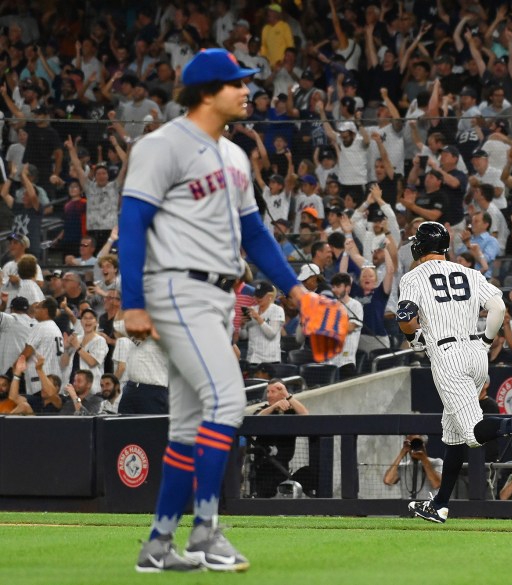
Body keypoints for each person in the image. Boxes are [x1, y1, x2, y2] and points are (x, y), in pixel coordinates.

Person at [120, 49, 340, 573]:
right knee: (225, 400)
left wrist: (299, 293)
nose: (247, 90)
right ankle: (205, 533)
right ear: (206, 91)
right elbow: (132, 222)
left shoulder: (237, 157)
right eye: (236, 83)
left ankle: (158, 543)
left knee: (190, 425)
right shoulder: (162, 145)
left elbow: (255, 236)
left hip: (220, 297)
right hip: (176, 287)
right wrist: (132, 302)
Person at [396, 222, 512, 524]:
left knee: (472, 432)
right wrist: (486, 342)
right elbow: (498, 308)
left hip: (446, 354)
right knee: (454, 436)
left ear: (420, 246)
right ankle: (440, 504)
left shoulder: (414, 276)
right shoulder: (470, 273)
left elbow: (405, 315)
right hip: (476, 351)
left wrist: (413, 337)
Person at [243, 379, 308, 498]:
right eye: (268, 391)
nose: (269, 395)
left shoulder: (291, 412)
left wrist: (288, 396)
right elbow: (255, 420)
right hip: (263, 467)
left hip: (282, 468)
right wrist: (273, 407)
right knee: (264, 497)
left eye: (273, 391)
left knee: (308, 474)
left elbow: (306, 416)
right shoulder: (263, 410)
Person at [383, 434, 443, 500]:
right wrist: (401, 454)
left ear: (424, 444)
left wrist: (424, 459)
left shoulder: (436, 462)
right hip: (407, 508)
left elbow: (437, 484)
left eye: (417, 442)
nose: (414, 445)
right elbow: (387, 480)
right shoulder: (403, 467)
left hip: (428, 507)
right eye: (411, 443)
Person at [240, 282, 285, 368]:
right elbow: (243, 337)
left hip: (270, 360)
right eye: (256, 295)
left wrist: (258, 318)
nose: (257, 298)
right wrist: (243, 326)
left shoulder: (277, 310)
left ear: (269, 296)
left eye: (260, 296)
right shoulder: (252, 309)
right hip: (252, 359)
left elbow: (271, 334)